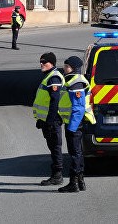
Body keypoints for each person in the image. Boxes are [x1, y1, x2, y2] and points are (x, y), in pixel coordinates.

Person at [57, 56, 95, 193]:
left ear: (74, 68)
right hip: (74, 122)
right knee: (77, 152)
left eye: (66, 66)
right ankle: (80, 181)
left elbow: (78, 108)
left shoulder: (76, 82)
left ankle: (74, 183)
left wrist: (72, 127)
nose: (64, 69)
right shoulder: (73, 80)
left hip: (74, 124)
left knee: (75, 153)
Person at [33, 52, 65, 186]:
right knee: (52, 147)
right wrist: (41, 120)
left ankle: (57, 176)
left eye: (44, 62)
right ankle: (56, 174)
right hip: (47, 120)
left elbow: (54, 101)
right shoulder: (49, 76)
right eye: (40, 62)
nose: (41, 64)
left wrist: (50, 121)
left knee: (55, 147)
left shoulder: (54, 78)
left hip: (53, 120)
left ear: (51, 63)